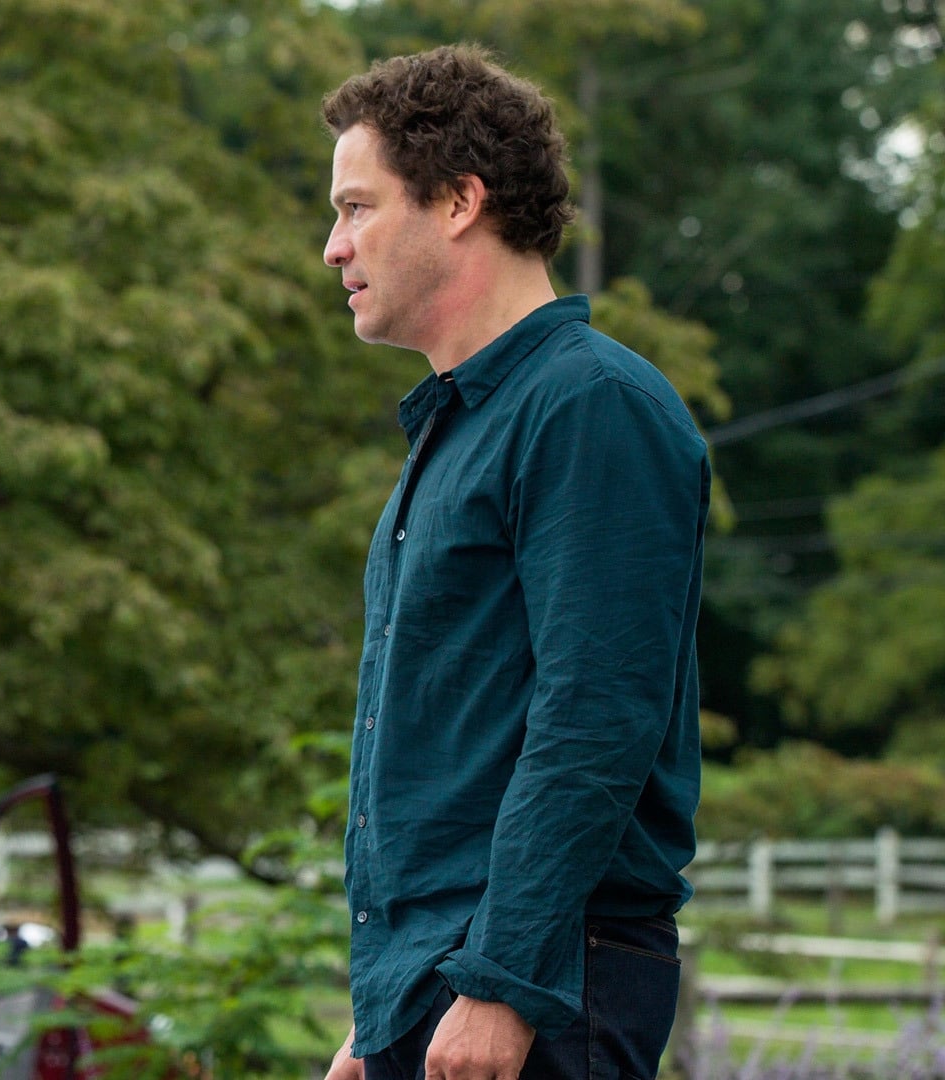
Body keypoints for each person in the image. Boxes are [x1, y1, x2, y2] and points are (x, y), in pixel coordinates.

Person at [317, 46, 711, 1080]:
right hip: (444, 983)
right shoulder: (459, 427)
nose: (333, 246)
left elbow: (595, 718)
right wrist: (384, 1007)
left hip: (540, 990)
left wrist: (502, 983)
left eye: (357, 208)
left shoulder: (590, 406)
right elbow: (451, 745)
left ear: (459, 201)